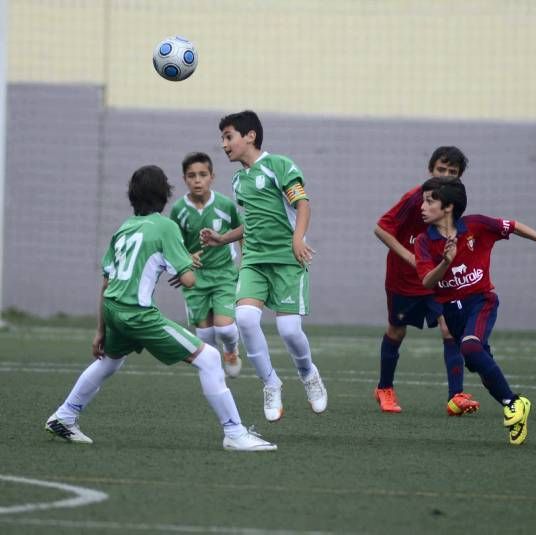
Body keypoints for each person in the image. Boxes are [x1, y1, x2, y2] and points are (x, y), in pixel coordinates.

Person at [44, 165, 274, 451]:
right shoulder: (166, 227)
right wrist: (187, 263)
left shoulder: (124, 228)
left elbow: (106, 282)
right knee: (211, 359)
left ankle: (64, 416)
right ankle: (234, 433)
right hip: (137, 314)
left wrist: (99, 331)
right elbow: (189, 280)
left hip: (114, 309)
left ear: (133, 196)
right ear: (164, 195)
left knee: (110, 361)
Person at [413, 178, 536, 445]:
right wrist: (446, 262)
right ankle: (516, 405)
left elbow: (511, 225)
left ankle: (512, 403)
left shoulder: (476, 225)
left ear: (448, 206)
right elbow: (427, 281)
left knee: (470, 347)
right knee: (479, 363)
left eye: (430, 200)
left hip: (481, 301)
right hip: (452, 312)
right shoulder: (423, 241)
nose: (423, 206)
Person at [201, 110, 327, 422]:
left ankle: (308, 373)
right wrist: (222, 238)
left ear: (250, 136)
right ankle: (270, 382)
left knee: (289, 330)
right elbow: (249, 223)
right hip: (254, 261)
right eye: (222, 139)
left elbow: (303, 204)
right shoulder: (238, 180)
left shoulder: (278, 165)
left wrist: (298, 239)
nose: (224, 145)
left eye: (228, 137)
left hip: (287, 260)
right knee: (244, 319)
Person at [373, 146, 479, 416]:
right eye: (440, 170)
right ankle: (384, 388)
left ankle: (456, 396)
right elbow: (381, 229)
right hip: (405, 280)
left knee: (450, 329)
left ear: (460, 177)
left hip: (437, 282)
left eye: (452, 172)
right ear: (430, 170)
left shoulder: (454, 204)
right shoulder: (414, 198)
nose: (445, 176)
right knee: (397, 331)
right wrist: (412, 258)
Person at [169, 152, 242, 378]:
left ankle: (231, 351)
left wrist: (247, 260)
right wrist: (184, 261)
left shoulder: (225, 205)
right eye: (192, 176)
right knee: (205, 334)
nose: (197, 180)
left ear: (212, 176)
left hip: (223, 273)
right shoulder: (178, 210)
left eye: (202, 174)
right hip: (195, 279)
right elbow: (173, 244)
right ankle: (215, 376)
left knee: (226, 328)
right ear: (184, 179)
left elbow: (242, 232)